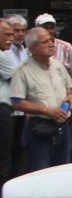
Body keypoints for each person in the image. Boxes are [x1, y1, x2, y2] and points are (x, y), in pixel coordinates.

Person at [9, 27, 72, 172]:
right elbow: (16, 102)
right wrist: (46, 110)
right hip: (40, 128)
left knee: (62, 171)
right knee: (41, 172)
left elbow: (69, 90)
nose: (51, 44)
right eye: (45, 42)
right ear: (33, 49)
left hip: (63, 127)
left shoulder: (58, 65)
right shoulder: (23, 70)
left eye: (51, 40)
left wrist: (71, 98)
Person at [35, 13, 72, 162]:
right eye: (44, 27)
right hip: (41, 108)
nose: (49, 30)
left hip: (64, 103)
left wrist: (71, 103)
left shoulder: (66, 48)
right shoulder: (31, 49)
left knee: (66, 146)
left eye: (51, 27)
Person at [5, 15, 28, 177]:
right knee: (7, 150)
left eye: (23, 30)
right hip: (9, 109)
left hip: (25, 110)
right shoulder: (4, 52)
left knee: (21, 149)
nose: (20, 34)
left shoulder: (26, 51)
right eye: (16, 30)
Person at [0, 19, 18, 198]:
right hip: (2, 110)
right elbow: (18, 77)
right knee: (4, 159)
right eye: (7, 35)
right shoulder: (2, 56)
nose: (11, 39)